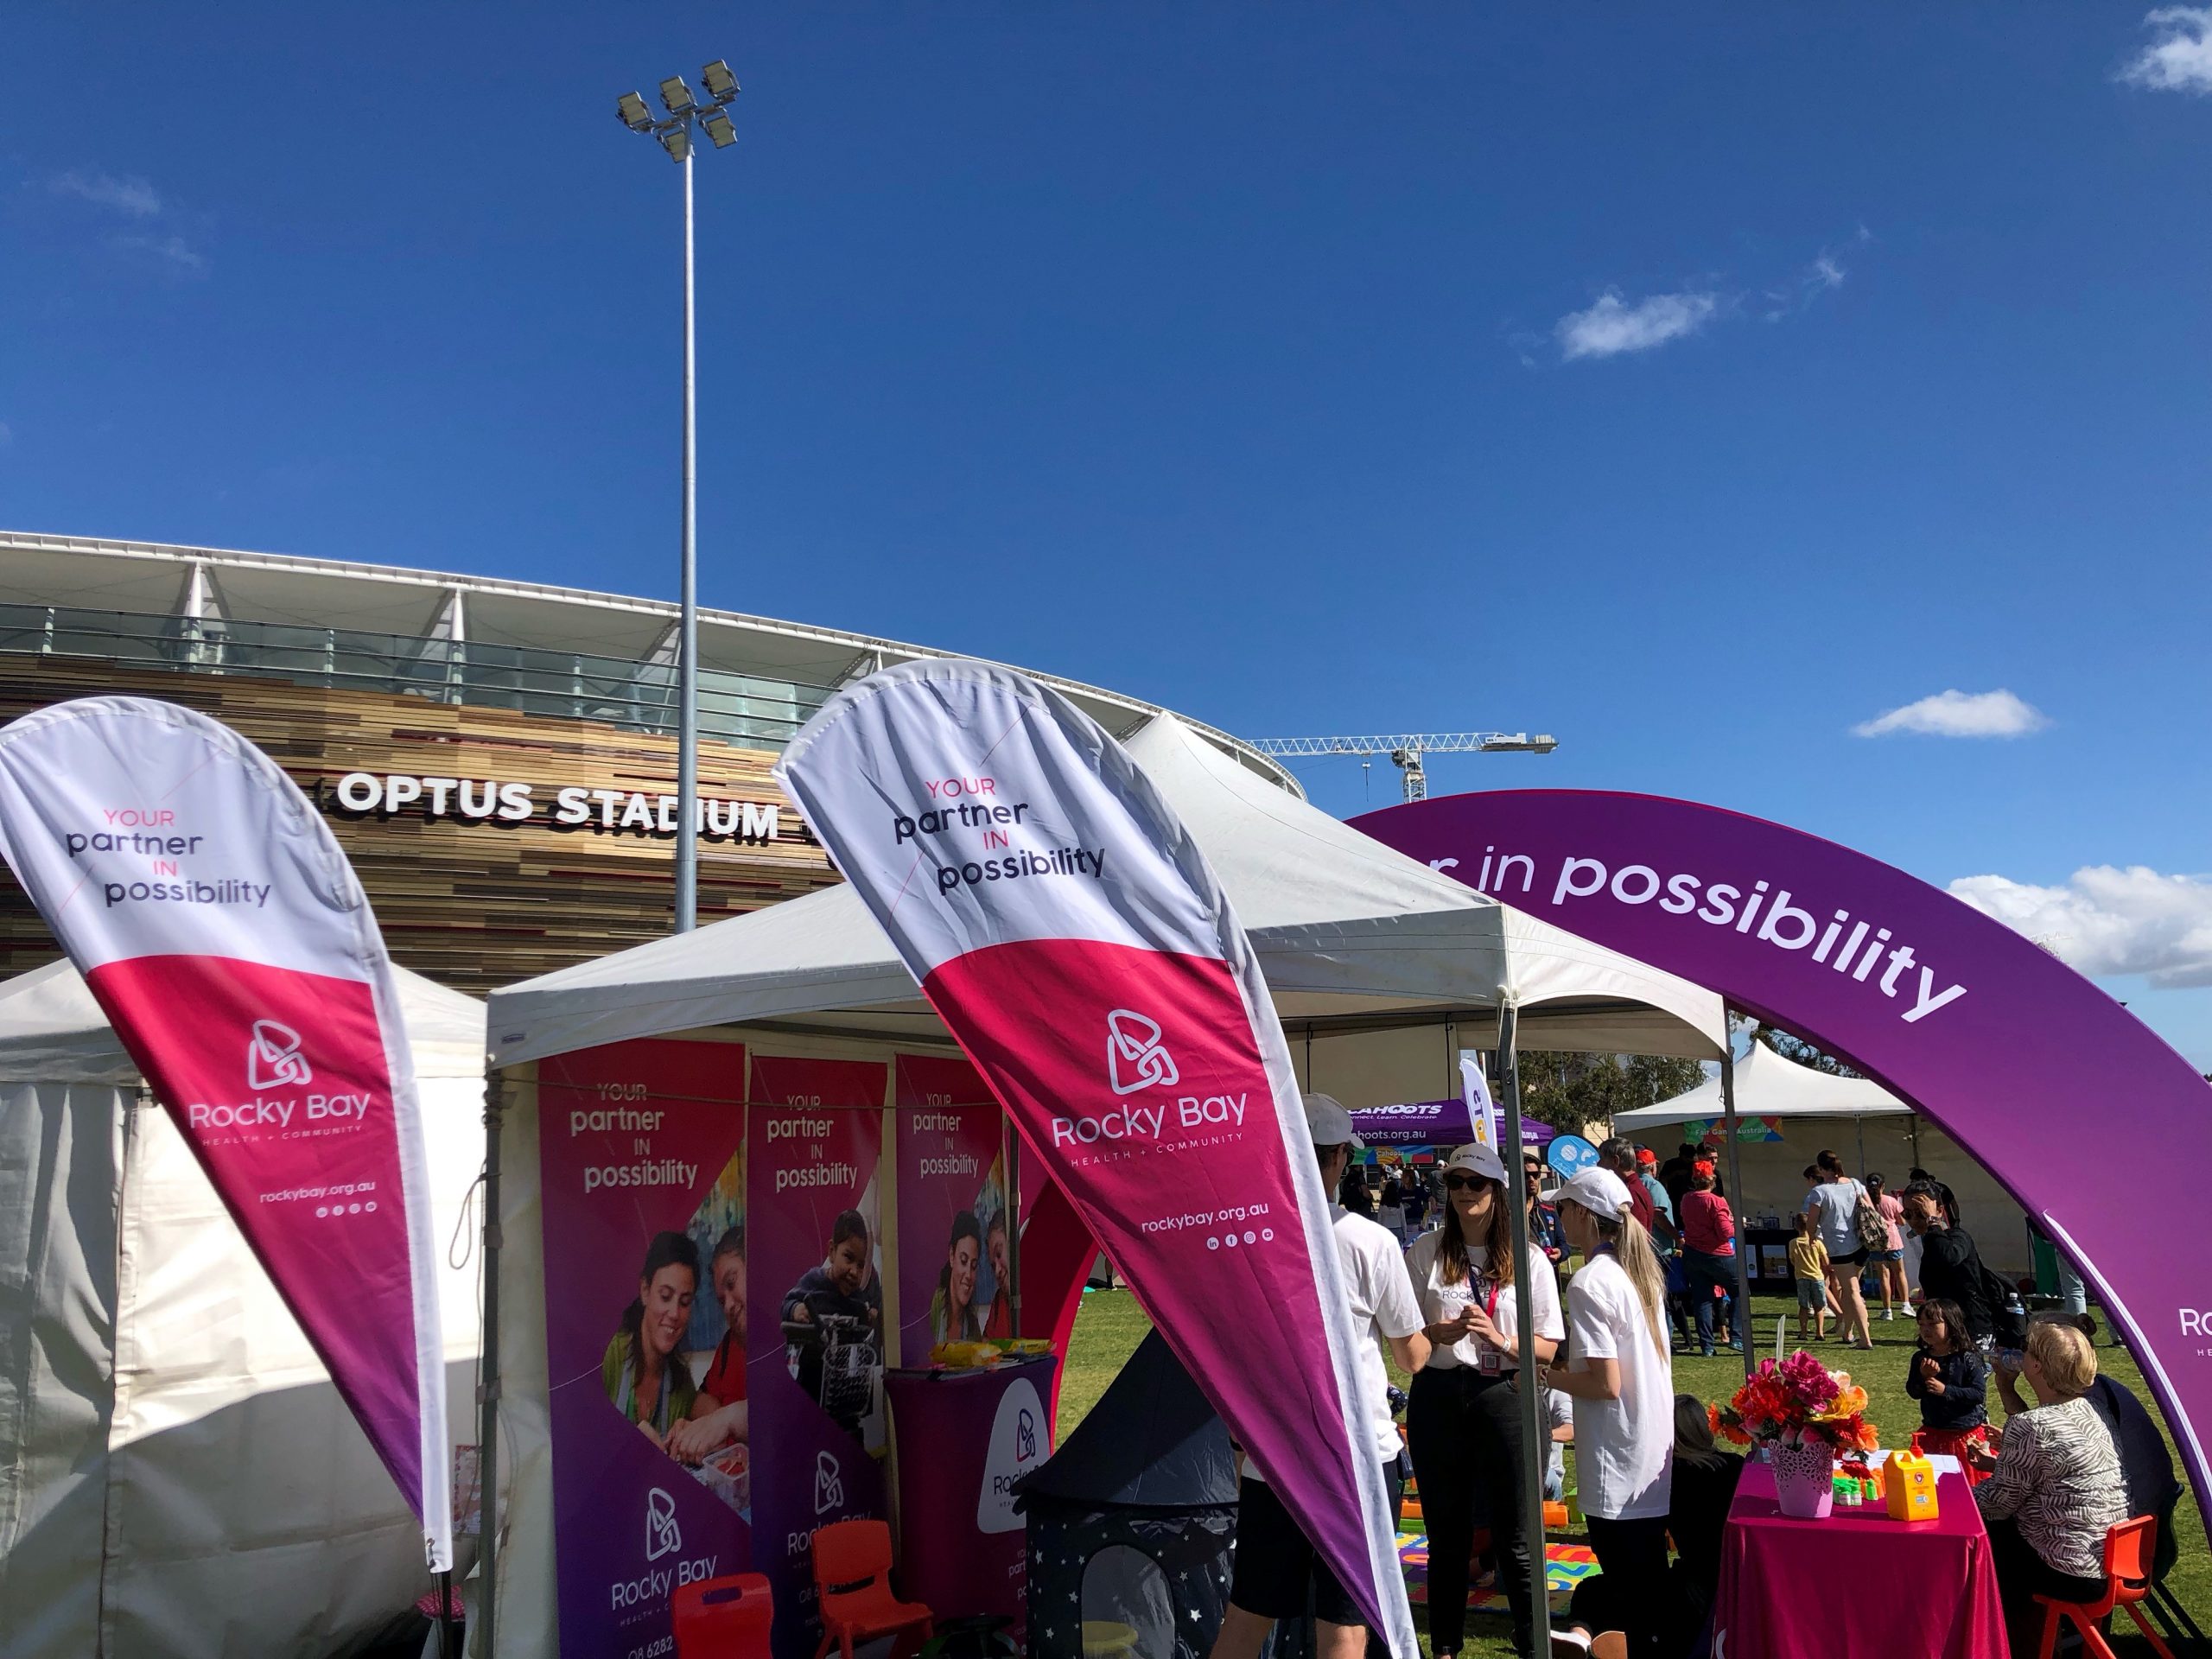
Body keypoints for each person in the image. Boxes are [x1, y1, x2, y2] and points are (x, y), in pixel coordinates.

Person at [1211, 1096, 1428, 1659]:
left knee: (1247, 1616)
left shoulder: (1245, 1239)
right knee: (1344, 1625)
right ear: (1336, 1159)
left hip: (1273, 1455)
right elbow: (1412, 1356)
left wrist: (1239, 1443)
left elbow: (1233, 1355)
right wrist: (1438, 1336)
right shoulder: (1371, 1241)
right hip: (1353, 1457)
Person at [1402, 1141, 1563, 1659]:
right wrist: (1437, 1332)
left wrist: (1502, 1342)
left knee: (1516, 1537)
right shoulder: (1424, 1252)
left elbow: (1549, 1347)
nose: (1465, 1192)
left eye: (1477, 1183)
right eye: (1455, 1183)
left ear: (1497, 1192)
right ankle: (1446, 1646)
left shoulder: (1530, 1259)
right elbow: (1407, 1344)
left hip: (1506, 1394)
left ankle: (1532, 1643)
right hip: (1440, 1396)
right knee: (1445, 1537)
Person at [1541, 1166, 1674, 1659]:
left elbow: (1604, 1383)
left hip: (1616, 1459)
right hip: (1648, 1450)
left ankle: (1599, 1633)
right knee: (1644, 1585)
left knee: (1634, 1588)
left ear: (1582, 1214)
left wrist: (1545, 1377)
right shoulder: (1637, 1273)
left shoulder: (1589, 1281)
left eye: (1562, 1209)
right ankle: (1595, 1631)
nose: (1558, 1219)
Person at [1972, 1321, 2128, 1656]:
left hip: (2068, 1569)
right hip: (2108, 1560)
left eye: (2027, 1351)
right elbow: (2047, 1463)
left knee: (1983, 1540)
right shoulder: (2093, 1409)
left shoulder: (2033, 1427)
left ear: (2037, 1365)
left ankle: (2004, 1644)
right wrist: (2006, 1391)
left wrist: (1954, 1493)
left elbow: (1998, 1504)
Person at [1998, 1312, 2183, 1580]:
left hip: (2106, 1555)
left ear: (2041, 1362)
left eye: (2026, 1347)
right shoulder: (2095, 1400)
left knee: (1994, 1531)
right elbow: (2066, 1467)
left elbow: (2002, 1500)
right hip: (2130, 1543)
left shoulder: (2085, 1403)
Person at [783, 1209, 885, 1433]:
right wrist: (796, 1309)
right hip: (811, 1395)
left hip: (847, 1402)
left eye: (860, 1265)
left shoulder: (859, 1299)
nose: (854, 1272)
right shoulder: (812, 1282)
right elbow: (787, 1303)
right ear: (831, 1251)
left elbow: (866, 1339)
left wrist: (870, 1318)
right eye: (848, 1258)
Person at [1899, 1180, 2023, 1353]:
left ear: (1940, 1211)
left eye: (1920, 1213)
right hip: (1944, 1330)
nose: (1914, 1220)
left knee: (1967, 1379)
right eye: (1908, 1214)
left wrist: (1933, 1222)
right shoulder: (1929, 1242)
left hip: (1972, 1329)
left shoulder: (1958, 1237)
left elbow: (1949, 1257)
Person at [602, 1230, 700, 1446]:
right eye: (665, 1296)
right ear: (645, 1291)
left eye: (684, 1302)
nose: (675, 1313)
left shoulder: (681, 1384)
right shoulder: (609, 1355)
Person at [670, 1225, 747, 1463]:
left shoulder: (794, 1342)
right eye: (721, 1299)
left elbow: (787, 1414)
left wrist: (729, 1419)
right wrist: (700, 1426)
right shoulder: (728, 1346)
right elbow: (700, 1400)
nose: (728, 1306)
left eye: (732, 1284)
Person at [1802, 1151, 1874, 1350]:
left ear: (1822, 1169)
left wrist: (1811, 1237)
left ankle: (1865, 1339)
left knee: (1852, 1291)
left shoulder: (1820, 1192)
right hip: (1861, 1243)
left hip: (1839, 1247)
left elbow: (1812, 1222)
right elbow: (1870, 1208)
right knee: (1851, 1291)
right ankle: (1848, 1332)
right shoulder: (1854, 1183)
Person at [1905, 1298, 1989, 1459]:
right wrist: (1924, 1376)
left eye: (1932, 1324)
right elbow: (1913, 1392)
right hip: (1933, 1431)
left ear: (1951, 1324)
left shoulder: (1967, 1357)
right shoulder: (1920, 1358)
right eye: (1921, 1324)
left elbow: (1978, 1394)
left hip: (1964, 1434)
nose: (1925, 1330)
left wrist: (1945, 1390)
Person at [1678, 1164, 1744, 1356]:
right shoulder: (1717, 1202)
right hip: (1718, 1255)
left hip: (1693, 1254)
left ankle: (1707, 1345)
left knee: (1702, 1300)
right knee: (1739, 1291)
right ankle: (1737, 1338)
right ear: (1713, 1180)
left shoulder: (1686, 1199)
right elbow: (1725, 1233)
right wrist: (1735, 1224)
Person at [931, 1210, 986, 1344]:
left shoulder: (972, 1326)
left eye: (973, 1266)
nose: (968, 1275)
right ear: (951, 1256)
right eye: (963, 1261)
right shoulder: (935, 1305)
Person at [1865, 1173, 1909, 1322]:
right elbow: (1902, 1221)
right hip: (1893, 1240)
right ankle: (1905, 1304)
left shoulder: (1864, 1202)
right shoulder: (1891, 1201)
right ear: (1883, 1186)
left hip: (1875, 1242)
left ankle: (1887, 1309)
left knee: (1883, 1276)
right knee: (1900, 1272)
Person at [1789, 1212, 1829, 1343]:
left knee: (1804, 1306)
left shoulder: (1793, 1243)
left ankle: (1803, 1332)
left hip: (1801, 1278)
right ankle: (1820, 1332)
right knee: (1819, 1307)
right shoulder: (1817, 1242)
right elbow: (1826, 1262)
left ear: (1796, 1226)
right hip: (1817, 1277)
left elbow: (1793, 1260)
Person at [981, 1212, 1015, 1338]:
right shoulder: (998, 1302)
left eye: (999, 1254)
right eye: (993, 1265)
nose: (997, 1271)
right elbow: (985, 1346)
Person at [1379, 1171, 1407, 1243]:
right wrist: (1405, 1235)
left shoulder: (1382, 1205)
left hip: (1385, 1229)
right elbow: (1403, 1220)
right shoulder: (1399, 1205)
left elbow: (1379, 1220)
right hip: (1398, 1229)